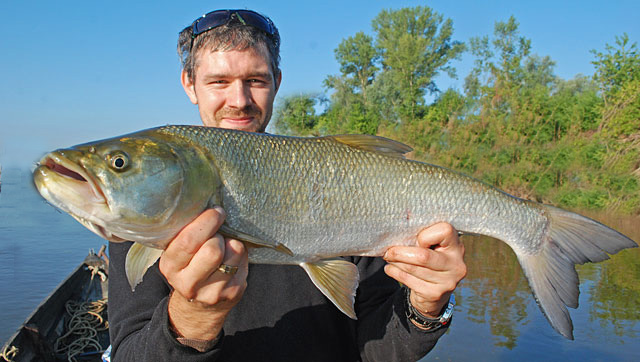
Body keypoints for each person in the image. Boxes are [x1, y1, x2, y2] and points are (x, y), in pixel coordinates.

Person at [108, 9, 467, 361]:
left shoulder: (341, 182)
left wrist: (427, 306)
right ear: (190, 84)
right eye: (219, 82)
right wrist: (192, 321)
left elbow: (377, 350)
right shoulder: (140, 218)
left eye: (256, 80)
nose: (239, 100)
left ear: (277, 82)